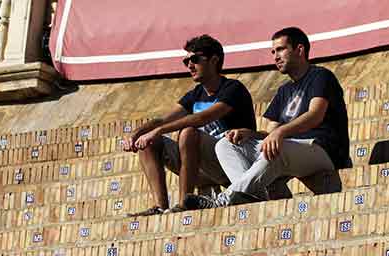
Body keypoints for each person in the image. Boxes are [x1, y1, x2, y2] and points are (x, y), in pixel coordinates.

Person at [184, 27, 351, 210]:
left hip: (323, 150)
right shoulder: (284, 90)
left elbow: (315, 115)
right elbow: (270, 134)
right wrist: (250, 134)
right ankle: (253, 197)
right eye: (273, 52)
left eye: (280, 49)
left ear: (300, 50)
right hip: (290, 148)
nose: (275, 56)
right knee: (225, 144)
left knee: (276, 149)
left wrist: (280, 132)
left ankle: (225, 198)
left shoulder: (321, 76)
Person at [123, 34, 257, 216]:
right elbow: (163, 120)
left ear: (214, 60)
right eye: (186, 62)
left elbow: (202, 118)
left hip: (229, 164)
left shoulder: (233, 89)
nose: (190, 66)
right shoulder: (195, 94)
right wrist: (137, 133)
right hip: (198, 167)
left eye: (194, 59)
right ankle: (160, 206)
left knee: (188, 133)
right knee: (149, 142)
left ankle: (184, 203)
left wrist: (159, 130)